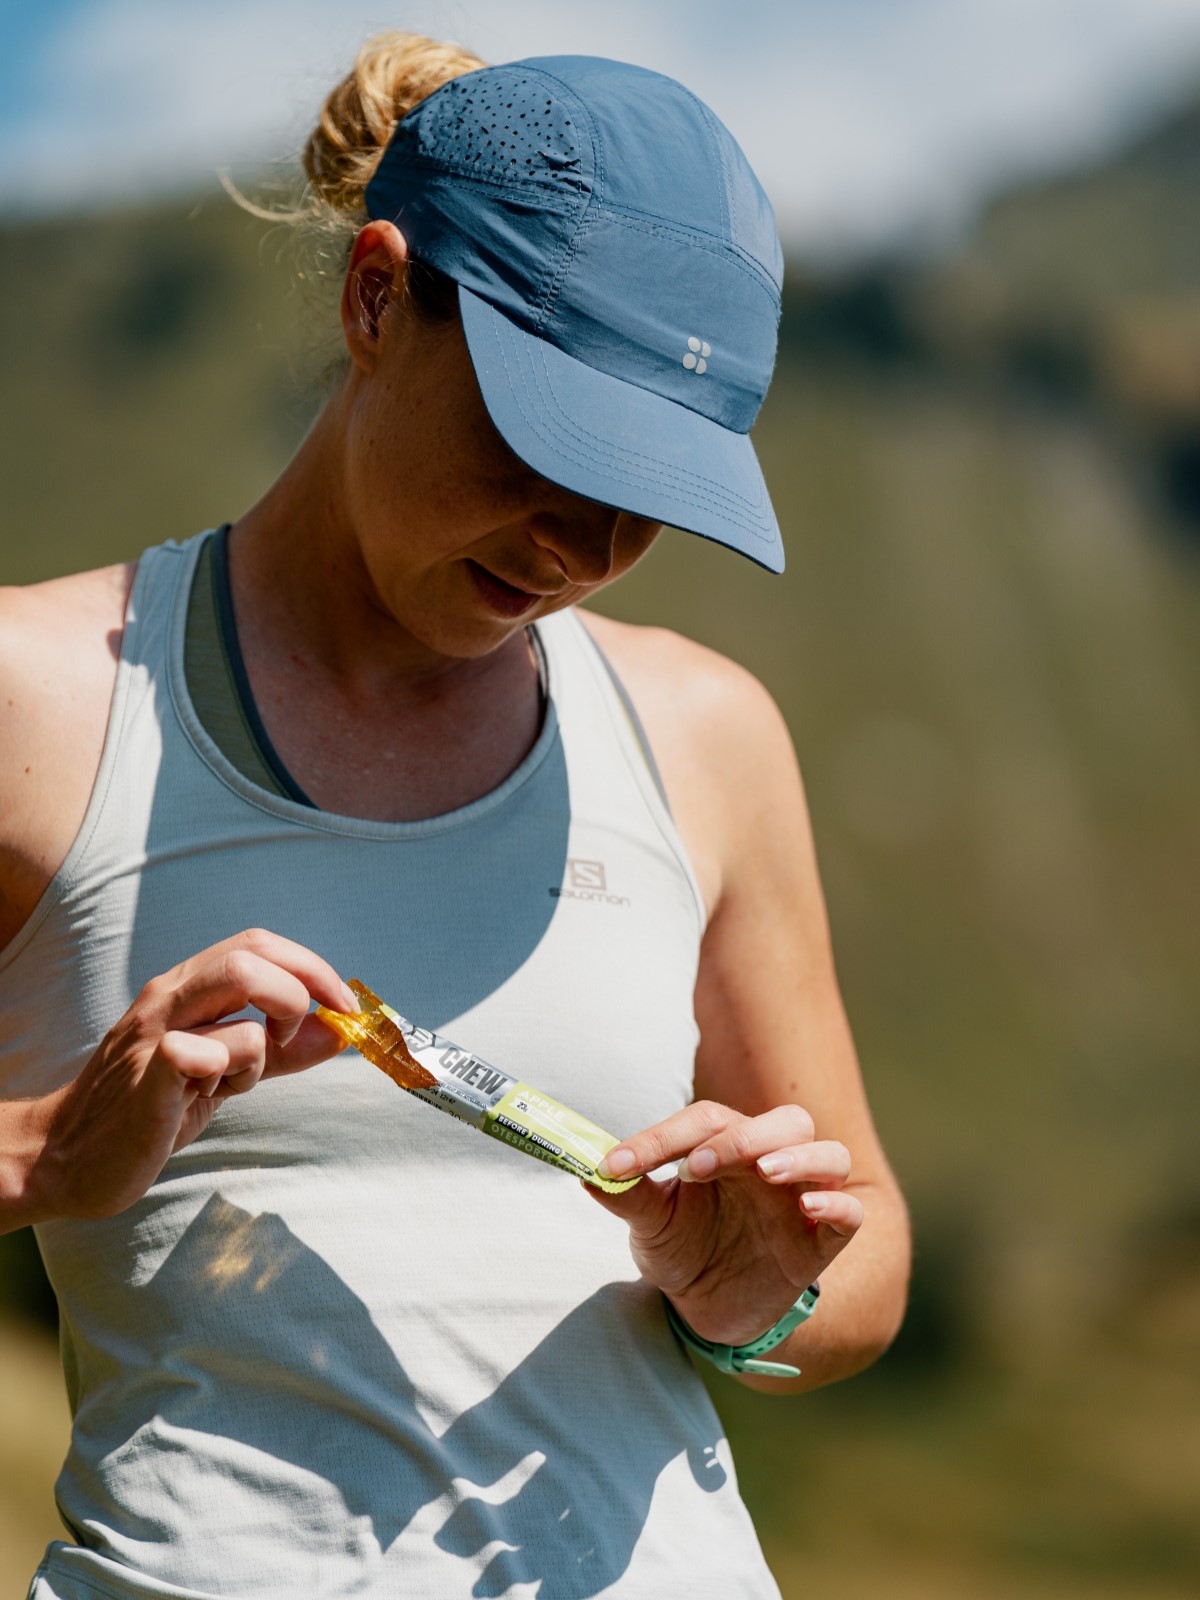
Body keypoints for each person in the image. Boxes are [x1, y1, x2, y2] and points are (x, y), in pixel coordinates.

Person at [0, 32, 911, 1600]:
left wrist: (750, 1291)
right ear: (374, 299)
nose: (585, 542)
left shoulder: (703, 734)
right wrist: (39, 1155)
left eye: (655, 492)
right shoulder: (38, 700)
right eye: (550, 444)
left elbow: (864, 1259)